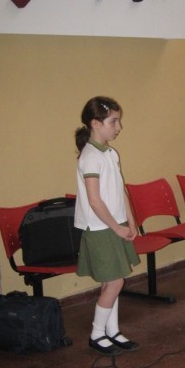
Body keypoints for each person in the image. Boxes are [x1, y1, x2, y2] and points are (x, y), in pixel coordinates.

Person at [74, 96, 140, 354]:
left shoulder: (110, 153)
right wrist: (116, 227)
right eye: (113, 121)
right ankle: (97, 333)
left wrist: (130, 221)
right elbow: (94, 200)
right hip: (101, 228)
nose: (119, 127)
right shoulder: (90, 157)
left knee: (112, 281)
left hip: (115, 224)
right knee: (115, 282)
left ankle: (112, 331)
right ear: (95, 123)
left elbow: (121, 190)